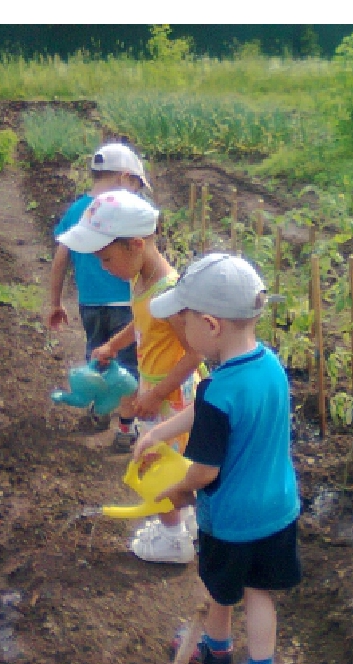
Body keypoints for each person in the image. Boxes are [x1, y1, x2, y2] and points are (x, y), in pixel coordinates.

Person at [132, 252, 301, 664]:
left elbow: (205, 470)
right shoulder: (270, 366)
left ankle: (215, 651)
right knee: (260, 592)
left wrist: (180, 489)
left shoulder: (217, 389)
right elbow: (210, 415)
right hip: (278, 508)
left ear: (210, 325)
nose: (181, 333)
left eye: (183, 323)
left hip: (231, 520)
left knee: (218, 588)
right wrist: (159, 432)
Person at [56, 189, 205, 563]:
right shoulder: (141, 281)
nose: (104, 267)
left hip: (173, 395)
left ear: (136, 245)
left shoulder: (167, 291)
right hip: (158, 385)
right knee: (165, 461)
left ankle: (175, 540)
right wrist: (111, 345)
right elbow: (141, 323)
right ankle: (181, 523)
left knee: (153, 463)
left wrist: (156, 395)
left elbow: (196, 350)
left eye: (106, 258)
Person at [46, 143, 149, 448]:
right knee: (129, 365)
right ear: (124, 177)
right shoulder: (124, 211)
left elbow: (61, 257)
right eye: (135, 184)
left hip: (89, 302)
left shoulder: (78, 209)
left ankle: (98, 410)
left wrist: (55, 302)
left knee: (98, 354)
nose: (136, 191)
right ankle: (126, 429)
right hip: (126, 302)